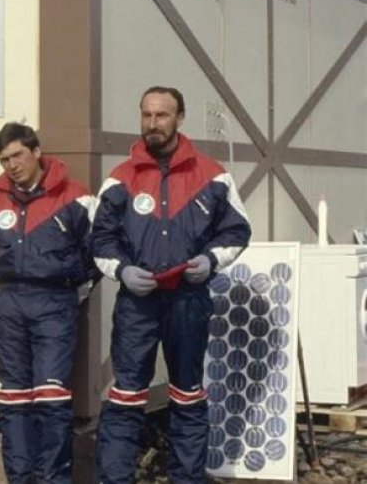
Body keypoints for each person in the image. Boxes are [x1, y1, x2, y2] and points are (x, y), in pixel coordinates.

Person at [93, 87, 251, 484]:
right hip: (137, 304)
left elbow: (237, 230)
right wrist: (122, 271)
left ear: (180, 118)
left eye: (162, 116)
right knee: (126, 396)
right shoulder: (120, 178)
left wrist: (211, 260)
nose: (152, 124)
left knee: (187, 394)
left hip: (188, 299)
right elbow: (100, 239)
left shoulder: (213, 175)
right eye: (146, 115)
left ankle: (188, 478)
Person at [0, 123, 96, 484]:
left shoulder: (76, 198)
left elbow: (97, 255)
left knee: (51, 398)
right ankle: (20, 478)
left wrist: (68, 291)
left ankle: (52, 479)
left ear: (36, 150)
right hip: (9, 302)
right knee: (14, 398)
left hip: (55, 303)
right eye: (4, 159)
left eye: (17, 155)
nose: (11, 165)